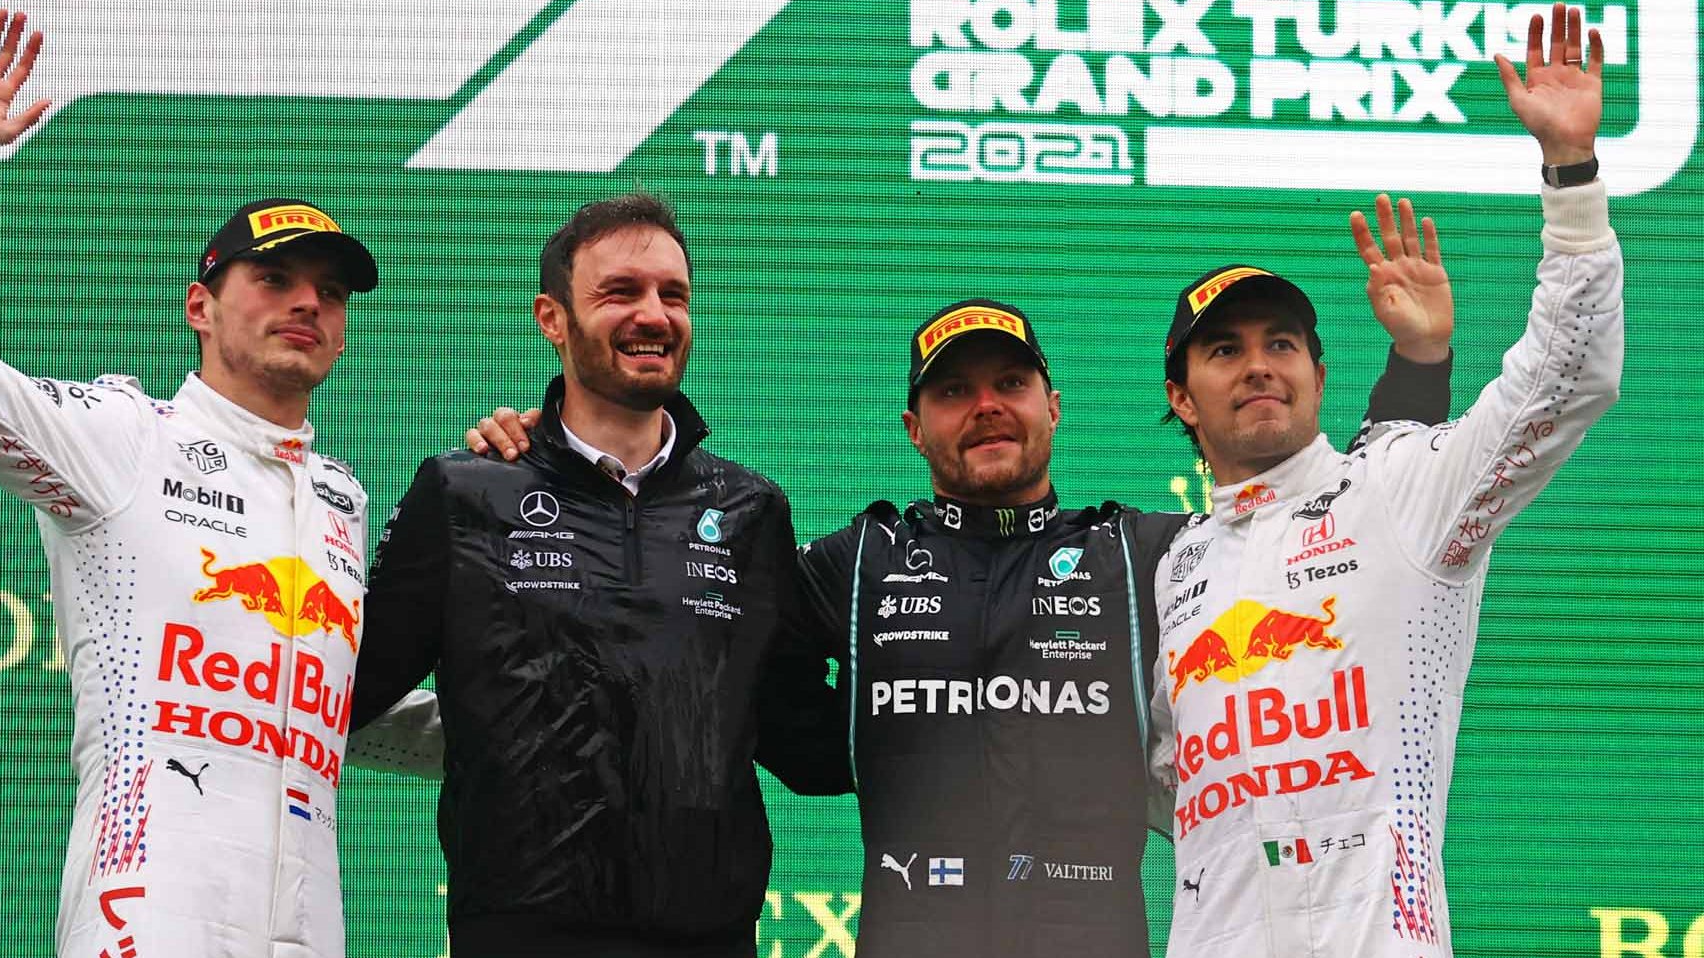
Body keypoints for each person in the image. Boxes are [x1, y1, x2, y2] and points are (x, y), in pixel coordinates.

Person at [468, 293, 1450, 956]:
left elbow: (1340, 514)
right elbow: (689, 630)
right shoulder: (856, 562)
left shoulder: (1149, 551)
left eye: (1009, 384)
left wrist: (1415, 371)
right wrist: (553, 460)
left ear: (1053, 407)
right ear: (912, 426)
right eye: (953, 391)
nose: (985, 407)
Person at [0, 11, 387, 958]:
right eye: (273, 278)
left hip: (312, 929)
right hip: (148, 916)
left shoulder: (340, 498)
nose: (308, 301)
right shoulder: (124, 435)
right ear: (200, 305)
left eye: (331, 291)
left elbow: (364, 708)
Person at [1148, 2, 1620, 958]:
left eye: (1283, 344)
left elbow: (1567, 375)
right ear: (1184, 400)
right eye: (1225, 351)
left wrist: (1570, 174)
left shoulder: (1400, 490)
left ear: (1321, 378)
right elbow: (1164, 780)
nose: (1258, 366)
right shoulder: (1172, 567)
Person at [349, 194, 848, 958]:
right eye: (620, 292)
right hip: (516, 937)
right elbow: (341, 691)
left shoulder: (750, 511)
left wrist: (949, 687)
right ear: (551, 318)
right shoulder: (466, 494)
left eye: (672, 295)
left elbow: (802, 741)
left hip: (709, 941)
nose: (654, 315)